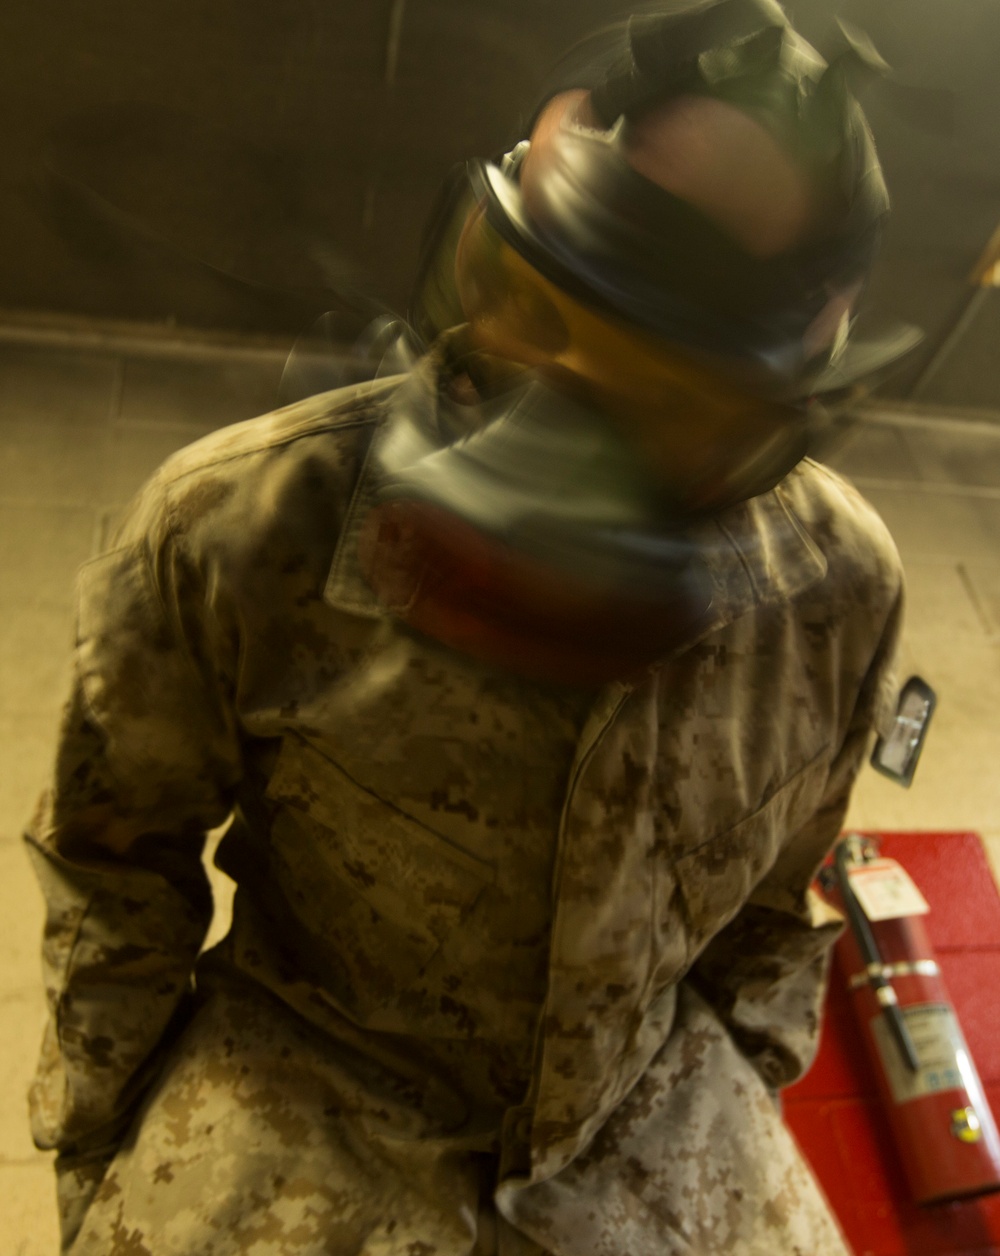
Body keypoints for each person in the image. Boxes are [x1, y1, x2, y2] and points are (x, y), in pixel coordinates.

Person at [26, 2, 906, 1252]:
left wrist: (735, 1090)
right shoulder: (235, 528)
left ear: (781, 410)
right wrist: (102, 1156)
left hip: (644, 1106)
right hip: (310, 1078)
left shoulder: (834, 595)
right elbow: (115, 872)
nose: (551, 431)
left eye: (664, 400)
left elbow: (773, 910)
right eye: (529, 306)